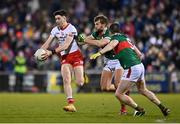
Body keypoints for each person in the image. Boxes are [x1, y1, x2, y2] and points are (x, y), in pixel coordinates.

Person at [90, 23, 170, 116]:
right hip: (140, 66)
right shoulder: (126, 38)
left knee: (118, 94)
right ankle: (163, 107)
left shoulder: (115, 38)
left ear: (111, 32)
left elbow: (111, 45)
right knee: (143, 90)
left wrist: (99, 53)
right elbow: (139, 54)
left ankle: (139, 109)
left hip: (132, 68)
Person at [79, 15, 128, 114]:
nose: (95, 26)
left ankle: (123, 109)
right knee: (104, 87)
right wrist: (79, 39)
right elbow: (82, 42)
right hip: (108, 61)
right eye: (95, 24)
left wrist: (85, 40)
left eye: (97, 24)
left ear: (103, 24)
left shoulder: (109, 32)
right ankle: (124, 88)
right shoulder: (96, 33)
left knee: (118, 84)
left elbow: (101, 43)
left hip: (119, 59)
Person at [40, 9, 84, 112]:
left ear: (64, 18)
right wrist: (40, 52)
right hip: (64, 57)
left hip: (76, 55)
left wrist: (51, 52)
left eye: (59, 18)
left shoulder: (72, 28)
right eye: (55, 19)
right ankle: (71, 104)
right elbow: (47, 43)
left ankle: (82, 75)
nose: (57, 20)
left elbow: (66, 45)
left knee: (80, 82)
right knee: (66, 80)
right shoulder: (55, 30)